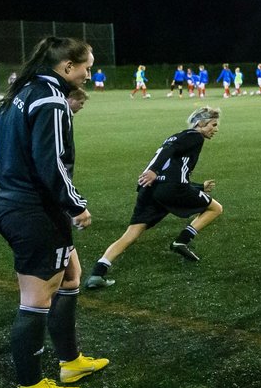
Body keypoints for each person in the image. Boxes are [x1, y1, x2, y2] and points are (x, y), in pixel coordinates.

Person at [0, 37, 109, 388]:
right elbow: (50, 162)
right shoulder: (51, 98)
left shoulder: (21, 92)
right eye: (86, 67)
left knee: (72, 274)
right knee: (35, 299)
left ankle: (71, 362)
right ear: (67, 66)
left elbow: (13, 155)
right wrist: (76, 206)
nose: (89, 74)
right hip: (35, 211)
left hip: (19, 205)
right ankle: (30, 387)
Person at [86, 106, 224, 289]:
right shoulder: (195, 136)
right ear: (201, 123)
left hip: (150, 188)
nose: (216, 129)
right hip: (171, 189)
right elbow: (170, 153)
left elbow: (171, 162)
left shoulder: (178, 135)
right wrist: (153, 170)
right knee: (215, 208)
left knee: (132, 233)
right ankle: (181, 241)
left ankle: (98, 272)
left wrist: (199, 187)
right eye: (213, 125)